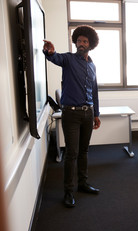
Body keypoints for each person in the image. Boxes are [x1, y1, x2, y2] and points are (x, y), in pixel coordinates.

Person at [43, 25, 101, 208]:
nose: (81, 43)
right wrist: (50, 52)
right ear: (75, 42)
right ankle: (68, 191)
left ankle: (82, 184)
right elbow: (55, 57)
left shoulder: (92, 65)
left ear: (90, 44)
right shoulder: (68, 59)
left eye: (85, 41)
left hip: (88, 113)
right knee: (71, 153)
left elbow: (95, 91)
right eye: (79, 40)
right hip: (71, 114)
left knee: (84, 151)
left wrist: (96, 114)